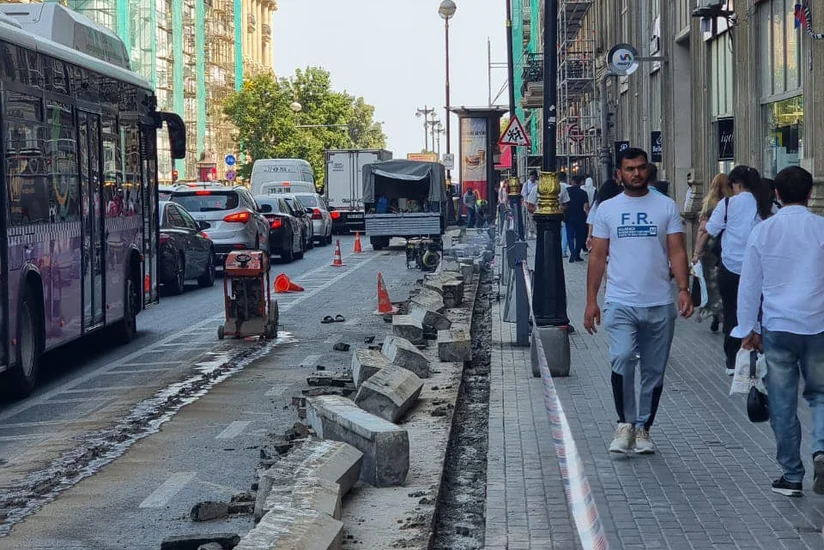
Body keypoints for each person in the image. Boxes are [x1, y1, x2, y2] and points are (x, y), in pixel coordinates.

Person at [585, 147, 693, 455]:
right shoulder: (608, 209)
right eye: (630, 169)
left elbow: (677, 250)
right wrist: (591, 300)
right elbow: (598, 256)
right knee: (621, 357)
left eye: (641, 167)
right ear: (619, 174)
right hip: (620, 300)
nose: (636, 173)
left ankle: (644, 427)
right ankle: (625, 423)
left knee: (653, 369)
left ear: (648, 170)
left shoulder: (665, 206)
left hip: (659, 301)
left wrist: (683, 288)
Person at [732, 166, 824, 498]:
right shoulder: (821, 228)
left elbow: (749, 284)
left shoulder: (763, 231)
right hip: (817, 325)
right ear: (810, 194)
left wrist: (748, 328)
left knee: (783, 401)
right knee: (821, 394)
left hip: (778, 326)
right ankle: (821, 450)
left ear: (777, 194)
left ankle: (792, 474)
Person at [692, 165, 771, 375]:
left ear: (737, 183)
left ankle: (733, 359)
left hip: (731, 267)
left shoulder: (727, 204)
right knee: (758, 310)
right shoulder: (765, 204)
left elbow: (710, 230)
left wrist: (698, 250)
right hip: (759, 269)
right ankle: (758, 353)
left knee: (731, 312)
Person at [697, 173, 732, 332]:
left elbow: (703, 230)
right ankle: (724, 312)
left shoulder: (708, 204)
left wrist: (697, 251)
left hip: (710, 247)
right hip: (725, 246)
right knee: (723, 280)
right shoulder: (732, 203)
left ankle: (716, 312)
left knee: (711, 282)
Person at [565, 176, 590, 262]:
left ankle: (572, 252)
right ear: (580, 183)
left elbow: (563, 202)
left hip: (569, 216)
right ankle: (577, 254)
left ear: (572, 181)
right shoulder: (583, 193)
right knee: (580, 237)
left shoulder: (567, 191)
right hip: (580, 217)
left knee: (570, 236)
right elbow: (586, 207)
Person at [522, 170, 539, 238]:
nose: (532, 178)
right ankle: (531, 230)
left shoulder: (537, 183)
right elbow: (523, 194)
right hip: (528, 203)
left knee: (535, 218)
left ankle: (535, 231)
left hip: (536, 203)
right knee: (529, 218)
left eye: (534, 177)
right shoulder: (526, 184)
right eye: (531, 177)